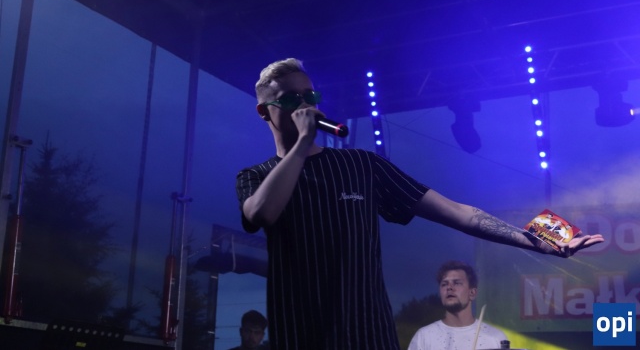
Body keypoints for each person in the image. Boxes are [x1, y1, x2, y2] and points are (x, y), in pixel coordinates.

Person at [235, 58, 604, 350]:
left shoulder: (361, 165)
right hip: (301, 337)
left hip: (369, 337)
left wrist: (543, 242)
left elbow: (459, 213)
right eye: (291, 99)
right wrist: (302, 144)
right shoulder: (255, 176)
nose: (304, 105)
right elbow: (261, 213)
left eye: (310, 96)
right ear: (264, 111)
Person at [408, 260, 507, 350]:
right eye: (444, 284)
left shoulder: (495, 338)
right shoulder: (424, 337)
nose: (449, 287)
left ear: (472, 293)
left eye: (457, 283)